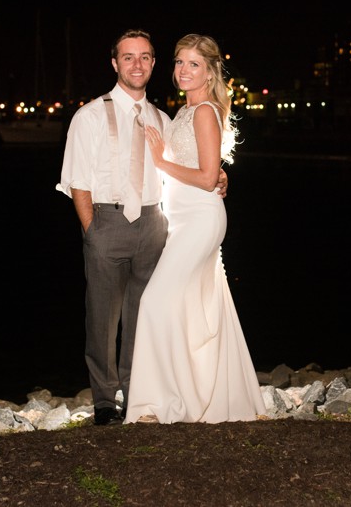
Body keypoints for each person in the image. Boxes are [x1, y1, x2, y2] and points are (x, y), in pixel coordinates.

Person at [56, 29, 227, 426]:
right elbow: (76, 179)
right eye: (128, 57)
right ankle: (103, 399)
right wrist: (92, 230)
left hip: (155, 224)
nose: (137, 64)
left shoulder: (163, 119)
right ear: (115, 63)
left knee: (143, 313)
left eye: (145, 57)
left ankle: (139, 392)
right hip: (107, 222)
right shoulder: (90, 115)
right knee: (101, 316)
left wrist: (219, 176)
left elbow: (192, 164)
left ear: (152, 63)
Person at [124, 34, 265, 424]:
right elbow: (210, 170)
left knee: (156, 302)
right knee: (197, 308)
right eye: (179, 62)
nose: (183, 71)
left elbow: (205, 178)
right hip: (181, 220)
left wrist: (160, 161)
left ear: (210, 71)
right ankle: (203, 396)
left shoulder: (204, 111)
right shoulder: (184, 112)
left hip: (201, 221)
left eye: (193, 64)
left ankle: (160, 404)